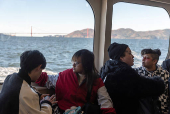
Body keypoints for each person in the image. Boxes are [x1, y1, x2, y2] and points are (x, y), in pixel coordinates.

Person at [35, 49, 116, 114]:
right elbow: (45, 79)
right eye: (73, 62)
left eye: (76, 63)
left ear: (86, 64)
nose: (73, 65)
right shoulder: (64, 76)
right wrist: (32, 71)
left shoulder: (96, 81)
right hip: (63, 111)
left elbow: (105, 101)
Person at [100, 42, 165, 114]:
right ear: (121, 57)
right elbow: (151, 87)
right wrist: (159, 81)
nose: (133, 56)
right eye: (130, 53)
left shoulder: (107, 69)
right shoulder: (125, 73)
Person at [135, 49, 169, 114]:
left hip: (162, 109)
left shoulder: (165, 73)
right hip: (144, 110)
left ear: (154, 61)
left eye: (146, 58)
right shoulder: (137, 73)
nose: (143, 59)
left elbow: (167, 93)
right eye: (143, 57)